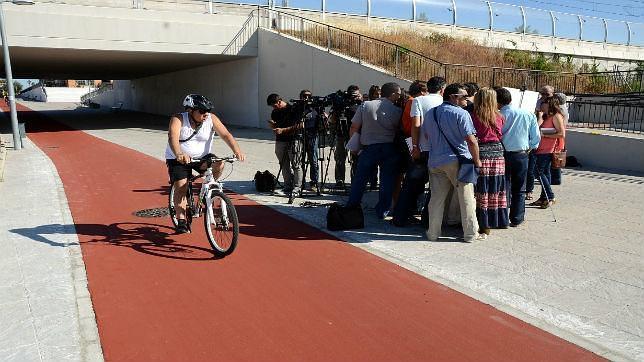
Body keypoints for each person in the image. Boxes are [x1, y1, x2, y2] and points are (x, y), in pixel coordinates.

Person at [165, 94, 245, 234]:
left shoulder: (211, 119)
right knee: (181, 186)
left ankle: (210, 188)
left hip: (201, 157)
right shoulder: (178, 119)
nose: (206, 114)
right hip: (179, 158)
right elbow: (173, 137)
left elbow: (226, 135)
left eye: (207, 110)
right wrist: (179, 154)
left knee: (219, 163)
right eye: (201, 111)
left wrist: (237, 151)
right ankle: (182, 219)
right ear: (190, 110)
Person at [420, 83, 485, 242]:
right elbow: (471, 141)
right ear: (453, 97)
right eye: (464, 96)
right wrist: (477, 162)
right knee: (466, 198)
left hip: (435, 160)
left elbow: (427, 136)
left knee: (436, 199)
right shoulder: (461, 114)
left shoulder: (431, 113)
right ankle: (470, 234)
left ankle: (433, 233)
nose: (467, 99)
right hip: (458, 161)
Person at [346, 82, 403, 219]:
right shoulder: (397, 110)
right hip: (389, 147)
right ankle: (382, 210)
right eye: (398, 95)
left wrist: (354, 146)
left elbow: (354, 126)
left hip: (369, 147)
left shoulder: (365, 105)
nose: (399, 97)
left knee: (360, 179)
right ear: (393, 94)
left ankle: (352, 206)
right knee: (387, 180)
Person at [392, 76, 444, 226]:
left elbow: (416, 125)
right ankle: (427, 219)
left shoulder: (418, 101)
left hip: (422, 149)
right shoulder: (444, 102)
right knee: (436, 187)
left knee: (410, 184)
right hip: (439, 151)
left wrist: (415, 147)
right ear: (442, 89)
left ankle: (400, 218)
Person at [496, 87, 540, 227]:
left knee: (502, 187)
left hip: (501, 153)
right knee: (519, 187)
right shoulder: (527, 114)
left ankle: (501, 216)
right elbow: (535, 138)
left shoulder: (496, 115)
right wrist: (529, 148)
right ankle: (517, 218)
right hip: (521, 154)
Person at [471, 88, 509, 234]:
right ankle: (499, 220)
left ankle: (484, 223)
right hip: (498, 153)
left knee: (482, 188)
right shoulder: (498, 116)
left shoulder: (474, 116)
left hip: (482, 152)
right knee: (497, 187)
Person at [267, 93, 303, 204]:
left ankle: (297, 187)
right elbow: (277, 124)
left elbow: (300, 125)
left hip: (294, 139)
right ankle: (287, 186)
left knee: (296, 164)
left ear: (279, 101)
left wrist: (283, 130)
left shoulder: (293, 109)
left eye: (274, 105)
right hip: (280, 140)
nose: (274, 108)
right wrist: (273, 126)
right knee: (283, 164)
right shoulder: (275, 112)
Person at [531, 97, 566, 209]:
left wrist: (545, 135)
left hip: (548, 149)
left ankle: (550, 196)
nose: (541, 105)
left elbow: (561, 134)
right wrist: (540, 117)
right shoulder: (545, 116)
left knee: (538, 172)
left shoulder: (556, 116)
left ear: (550, 104)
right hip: (540, 148)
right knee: (545, 173)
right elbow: (536, 128)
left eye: (543, 103)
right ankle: (543, 198)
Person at [331, 85, 362, 189]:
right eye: (353, 95)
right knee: (340, 158)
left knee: (356, 159)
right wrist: (337, 109)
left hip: (356, 135)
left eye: (356, 95)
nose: (355, 97)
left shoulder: (361, 105)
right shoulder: (342, 105)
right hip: (341, 135)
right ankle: (339, 180)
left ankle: (355, 181)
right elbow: (333, 120)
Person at [297, 89, 320, 193]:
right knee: (299, 161)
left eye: (308, 96)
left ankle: (314, 182)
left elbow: (323, 121)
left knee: (313, 161)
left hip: (313, 137)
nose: (306, 98)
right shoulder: (298, 108)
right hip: (300, 137)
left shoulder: (315, 108)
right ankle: (300, 181)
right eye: (304, 96)